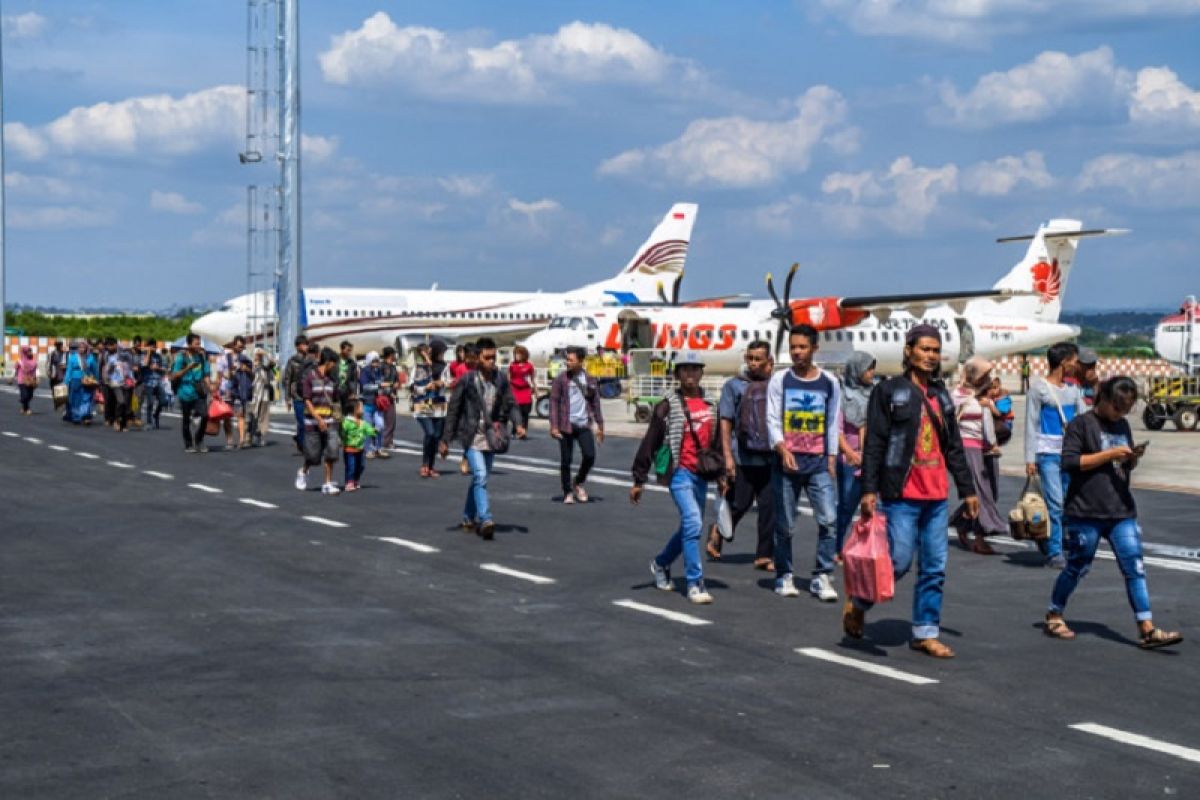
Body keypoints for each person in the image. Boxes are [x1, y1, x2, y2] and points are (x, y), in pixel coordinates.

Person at [845, 324, 978, 659]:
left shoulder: (941, 395)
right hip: (900, 494)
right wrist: (869, 489)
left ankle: (925, 631)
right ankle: (860, 603)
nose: (931, 356)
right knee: (899, 561)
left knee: (934, 567)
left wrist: (967, 489)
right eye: (925, 349)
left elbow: (955, 447)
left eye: (936, 350)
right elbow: (874, 441)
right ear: (909, 351)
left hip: (935, 496)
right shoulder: (889, 391)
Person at [1043, 377, 1182, 650]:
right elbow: (1070, 462)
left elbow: (1122, 466)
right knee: (1078, 566)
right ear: (1102, 398)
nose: (1120, 413)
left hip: (1120, 508)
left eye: (1126, 408)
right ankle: (1054, 613)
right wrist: (1108, 455)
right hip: (1086, 510)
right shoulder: (1080, 425)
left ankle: (1146, 627)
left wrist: (1130, 459)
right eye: (1117, 407)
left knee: (1135, 567)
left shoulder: (1122, 425)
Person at [631, 352, 721, 605]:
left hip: (702, 474)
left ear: (702, 373)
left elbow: (717, 443)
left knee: (688, 529)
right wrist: (639, 479)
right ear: (677, 374)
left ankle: (660, 563)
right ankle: (695, 582)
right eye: (685, 369)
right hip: (679, 473)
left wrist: (723, 474)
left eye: (695, 369)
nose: (690, 374)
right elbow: (651, 442)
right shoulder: (667, 405)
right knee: (694, 523)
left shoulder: (711, 403)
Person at [767, 324, 841, 602]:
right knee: (786, 524)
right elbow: (772, 418)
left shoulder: (829, 382)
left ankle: (822, 575)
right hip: (787, 464)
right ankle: (784, 573)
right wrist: (782, 447)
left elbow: (833, 421)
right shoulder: (780, 380)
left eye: (802, 347)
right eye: (793, 347)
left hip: (818, 463)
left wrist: (832, 457)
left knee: (829, 520)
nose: (797, 352)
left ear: (814, 349)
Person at [439, 337, 524, 540]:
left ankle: (468, 516)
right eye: (487, 358)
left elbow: (511, 403)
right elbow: (453, 410)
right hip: (471, 436)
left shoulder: (501, 378)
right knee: (480, 476)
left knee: (480, 478)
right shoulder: (467, 380)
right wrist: (445, 440)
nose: (492, 362)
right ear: (477, 358)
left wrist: (518, 423)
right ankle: (486, 519)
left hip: (491, 436)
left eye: (494, 358)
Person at [706, 340, 776, 570]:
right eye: (750, 358)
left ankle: (764, 555)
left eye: (758, 359)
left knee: (769, 507)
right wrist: (727, 456)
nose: (753, 363)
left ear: (769, 361)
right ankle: (718, 530)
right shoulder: (733, 386)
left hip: (770, 456)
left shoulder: (777, 385)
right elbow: (725, 422)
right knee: (739, 503)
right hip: (742, 456)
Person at [1025, 341, 1087, 568]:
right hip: (1048, 453)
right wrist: (1030, 458)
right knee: (1055, 503)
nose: (1075, 364)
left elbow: (1084, 418)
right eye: (1073, 360)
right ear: (1063, 362)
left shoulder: (1073, 391)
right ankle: (1054, 552)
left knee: (1071, 501)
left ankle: (1057, 539)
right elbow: (1031, 424)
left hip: (1071, 454)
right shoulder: (1038, 389)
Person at [949, 357, 1005, 555]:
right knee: (981, 492)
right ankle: (982, 538)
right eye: (984, 374)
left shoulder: (985, 395)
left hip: (987, 449)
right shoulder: (959, 395)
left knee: (991, 490)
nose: (988, 378)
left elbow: (993, 420)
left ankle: (962, 522)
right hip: (967, 447)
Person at [550, 346, 605, 504]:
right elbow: (553, 402)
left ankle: (578, 481)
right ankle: (567, 491)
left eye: (571, 360)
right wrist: (554, 426)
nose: (567, 362)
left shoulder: (590, 379)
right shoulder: (561, 379)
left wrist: (600, 426)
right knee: (566, 460)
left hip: (583, 424)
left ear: (581, 361)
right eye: (567, 359)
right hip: (565, 425)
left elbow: (595, 403)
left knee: (590, 455)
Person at [834, 351, 875, 562]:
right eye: (868, 368)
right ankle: (837, 547)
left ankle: (864, 547)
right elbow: (837, 429)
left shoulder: (875, 394)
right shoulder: (843, 395)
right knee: (846, 507)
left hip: (870, 458)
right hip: (850, 460)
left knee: (871, 506)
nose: (871, 373)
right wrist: (849, 453)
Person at [298, 347, 343, 495]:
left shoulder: (332, 380)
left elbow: (335, 399)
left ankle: (327, 483)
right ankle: (303, 471)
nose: (335, 366)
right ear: (329, 362)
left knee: (332, 452)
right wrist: (318, 419)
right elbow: (307, 400)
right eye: (334, 363)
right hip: (312, 422)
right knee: (313, 456)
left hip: (329, 421)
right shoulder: (310, 377)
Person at [411, 342, 449, 478]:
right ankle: (424, 464)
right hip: (423, 404)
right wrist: (425, 388)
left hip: (439, 405)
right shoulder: (418, 368)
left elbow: (448, 381)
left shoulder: (444, 367)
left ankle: (431, 466)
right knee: (430, 433)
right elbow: (413, 387)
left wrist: (441, 383)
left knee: (437, 435)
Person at [170, 333, 212, 453]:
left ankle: (199, 440)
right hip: (185, 392)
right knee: (186, 420)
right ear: (189, 344)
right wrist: (188, 367)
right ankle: (188, 444)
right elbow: (174, 375)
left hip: (198, 391)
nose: (199, 346)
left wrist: (211, 389)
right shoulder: (181, 357)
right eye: (196, 343)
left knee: (205, 416)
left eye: (200, 343)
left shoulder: (201, 357)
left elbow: (206, 375)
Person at [214, 336, 248, 449]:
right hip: (226, 390)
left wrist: (246, 369)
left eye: (242, 347)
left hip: (239, 390)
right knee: (226, 416)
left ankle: (242, 440)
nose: (240, 349)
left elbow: (251, 374)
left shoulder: (244, 359)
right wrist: (216, 391)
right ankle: (229, 440)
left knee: (240, 414)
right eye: (239, 347)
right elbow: (219, 376)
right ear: (233, 345)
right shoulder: (223, 359)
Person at [283, 335, 312, 452]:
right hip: (297, 395)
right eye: (304, 344)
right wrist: (287, 398)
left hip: (309, 395)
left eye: (307, 344)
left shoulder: (310, 360)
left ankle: (300, 440)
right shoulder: (292, 361)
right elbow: (287, 380)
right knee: (301, 420)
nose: (306, 346)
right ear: (297, 346)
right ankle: (303, 443)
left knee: (307, 421)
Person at [341, 399, 377, 492]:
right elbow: (342, 432)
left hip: (360, 449)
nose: (363, 409)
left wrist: (374, 431)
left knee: (361, 466)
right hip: (349, 449)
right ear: (354, 409)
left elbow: (368, 429)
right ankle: (349, 482)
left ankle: (355, 480)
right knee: (351, 466)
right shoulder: (347, 422)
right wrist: (342, 438)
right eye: (361, 407)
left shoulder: (362, 422)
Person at [63, 341, 98, 425]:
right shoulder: (73, 357)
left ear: (86, 348)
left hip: (87, 380)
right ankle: (76, 417)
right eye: (80, 348)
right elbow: (69, 370)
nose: (81, 349)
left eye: (83, 348)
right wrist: (66, 381)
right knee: (75, 399)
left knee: (86, 398)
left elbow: (95, 369)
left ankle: (85, 415)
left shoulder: (90, 357)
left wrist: (97, 380)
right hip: (75, 380)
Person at [358, 351, 383, 459]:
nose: (376, 363)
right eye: (374, 361)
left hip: (377, 403)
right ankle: (368, 449)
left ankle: (378, 448)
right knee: (368, 428)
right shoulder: (365, 371)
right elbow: (365, 387)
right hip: (367, 403)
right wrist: (379, 386)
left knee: (380, 425)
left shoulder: (378, 371)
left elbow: (382, 384)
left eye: (377, 360)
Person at [376, 347, 401, 456]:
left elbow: (396, 380)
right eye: (394, 354)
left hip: (391, 396)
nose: (395, 356)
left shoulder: (393, 367)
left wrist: (396, 386)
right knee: (385, 420)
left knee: (391, 421)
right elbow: (380, 382)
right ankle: (385, 442)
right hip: (383, 397)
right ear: (390, 355)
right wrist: (390, 390)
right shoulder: (382, 367)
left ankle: (387, 440)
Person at [508, 345, 536, 438]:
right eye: (515, 354)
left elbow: (532, 379)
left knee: (525, 413)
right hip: (515, 390)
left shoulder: (529, 366)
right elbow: (509, 378)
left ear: (523, 355)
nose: (516, 356)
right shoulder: (512, 365)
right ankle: (514, 430)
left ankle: (524, 431)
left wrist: (536, 391)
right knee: (516, 412)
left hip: (525, 391)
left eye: (518, 354)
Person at [249, 348, 275, 446]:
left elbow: (272, 362)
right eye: (256, 354)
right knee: (253, 415)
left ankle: (259, 436)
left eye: (259, 354)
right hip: (254, 395)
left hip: (264, 394)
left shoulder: (265, 367)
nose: (258, 356)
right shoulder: (251, 366)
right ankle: (250, 437)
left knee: (263, 416)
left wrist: (265, 353)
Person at [228, 353, 255, 448]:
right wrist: (235, 395)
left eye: (245, 363)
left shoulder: (251, 372)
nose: (242, 365)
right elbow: (233, 385)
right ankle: (242, 439)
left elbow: (256, 380)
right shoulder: (237, 373)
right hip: (239, 398)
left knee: (249, 419)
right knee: (240, 417)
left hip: (250, 398)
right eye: (241, 363)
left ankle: (249, 438)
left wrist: (248, 370)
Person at [141, 338, 167, 430]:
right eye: (151, 346)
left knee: (164, 401)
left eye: (154, 346)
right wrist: (148, 352)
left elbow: (164, 369)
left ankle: (156, 414)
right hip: (148, 382)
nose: (153, 348)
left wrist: (158, 368)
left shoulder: (158, 356)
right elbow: (144, 364)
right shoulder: (144, 355)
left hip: (158, 381)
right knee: (150, 403)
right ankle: (149, 422)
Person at [13, 346, 38, 415]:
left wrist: (36, 378)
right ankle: (27, 409)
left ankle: (23, 407)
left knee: (30, 395)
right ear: (24, 352)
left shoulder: (33, 361)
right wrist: (12, 377)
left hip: (31, 381)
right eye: (28, 351)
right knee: (25, 395)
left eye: (30, 351)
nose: (30, 353)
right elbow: (15, 369)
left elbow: (36, 370)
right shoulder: (19, 361)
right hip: (22, 380)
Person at [337, 340, 359, 414]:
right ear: (342, 349)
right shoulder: (335, 361)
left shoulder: (352, 363)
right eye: (348, 350)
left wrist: (353, 392)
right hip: (335, 391)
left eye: (350, 350)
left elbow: (354, 379)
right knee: (336, 414)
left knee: (346, 414)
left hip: (346, 392)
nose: (349, 352)